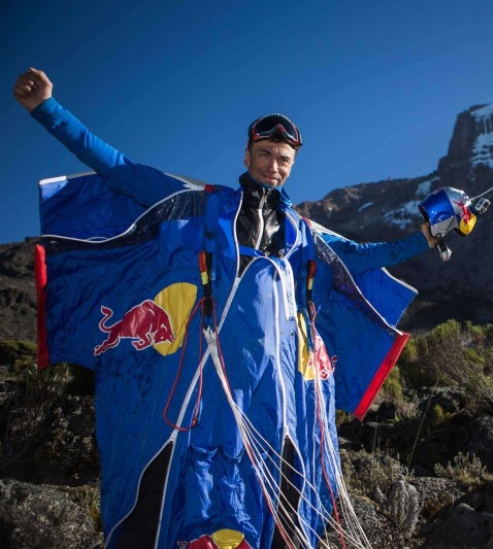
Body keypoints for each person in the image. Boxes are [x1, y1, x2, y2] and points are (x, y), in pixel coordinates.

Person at [14, 67, 438, 548]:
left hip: (273, 384)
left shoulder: (302, 234)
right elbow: (120, 169)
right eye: (264, 154)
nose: (272, 166)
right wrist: (48, 110)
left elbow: (362, 258)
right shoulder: (203, 205)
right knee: (189, 475)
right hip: (208, 375)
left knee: (276, 484)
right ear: (247, 155)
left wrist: (423, 237)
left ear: (292, 163)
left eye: (282, 158)